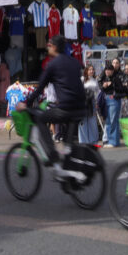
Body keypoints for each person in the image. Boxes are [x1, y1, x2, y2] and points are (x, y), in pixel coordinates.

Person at [15, 35, 87, 179]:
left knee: (41, 118)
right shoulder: (74, 62)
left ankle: (52, 154)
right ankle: (67, 162)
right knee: (68, 143)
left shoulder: (52, 64)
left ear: (54, 47)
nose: (47, 46)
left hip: (66, 108)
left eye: (49, 44)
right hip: (82, 107)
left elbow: (40, 87)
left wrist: (26, 103)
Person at [99, 61, 124, 147]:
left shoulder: (116, 78)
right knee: (108, 121)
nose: (107, 71)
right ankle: (110, 141)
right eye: (106, 70)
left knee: (113, 121)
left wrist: (112, 84)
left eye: (109, 70)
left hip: (114, 100)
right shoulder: (104, 78)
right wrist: (103, 86)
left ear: (112, 71)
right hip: (106, 100)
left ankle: (114, 141)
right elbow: (101, 89)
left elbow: (121, 89)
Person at [78, 64, 100, 144]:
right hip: (83, 102)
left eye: (92, 70)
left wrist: (97, 101)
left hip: (92, 102)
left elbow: (98, 92)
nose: (91, 71)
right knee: (83, 122)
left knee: (92, 121)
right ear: (86, 71)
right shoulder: (82, 79)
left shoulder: (95, 80)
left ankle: (93, 140)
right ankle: (83, 140)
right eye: (89, 69)